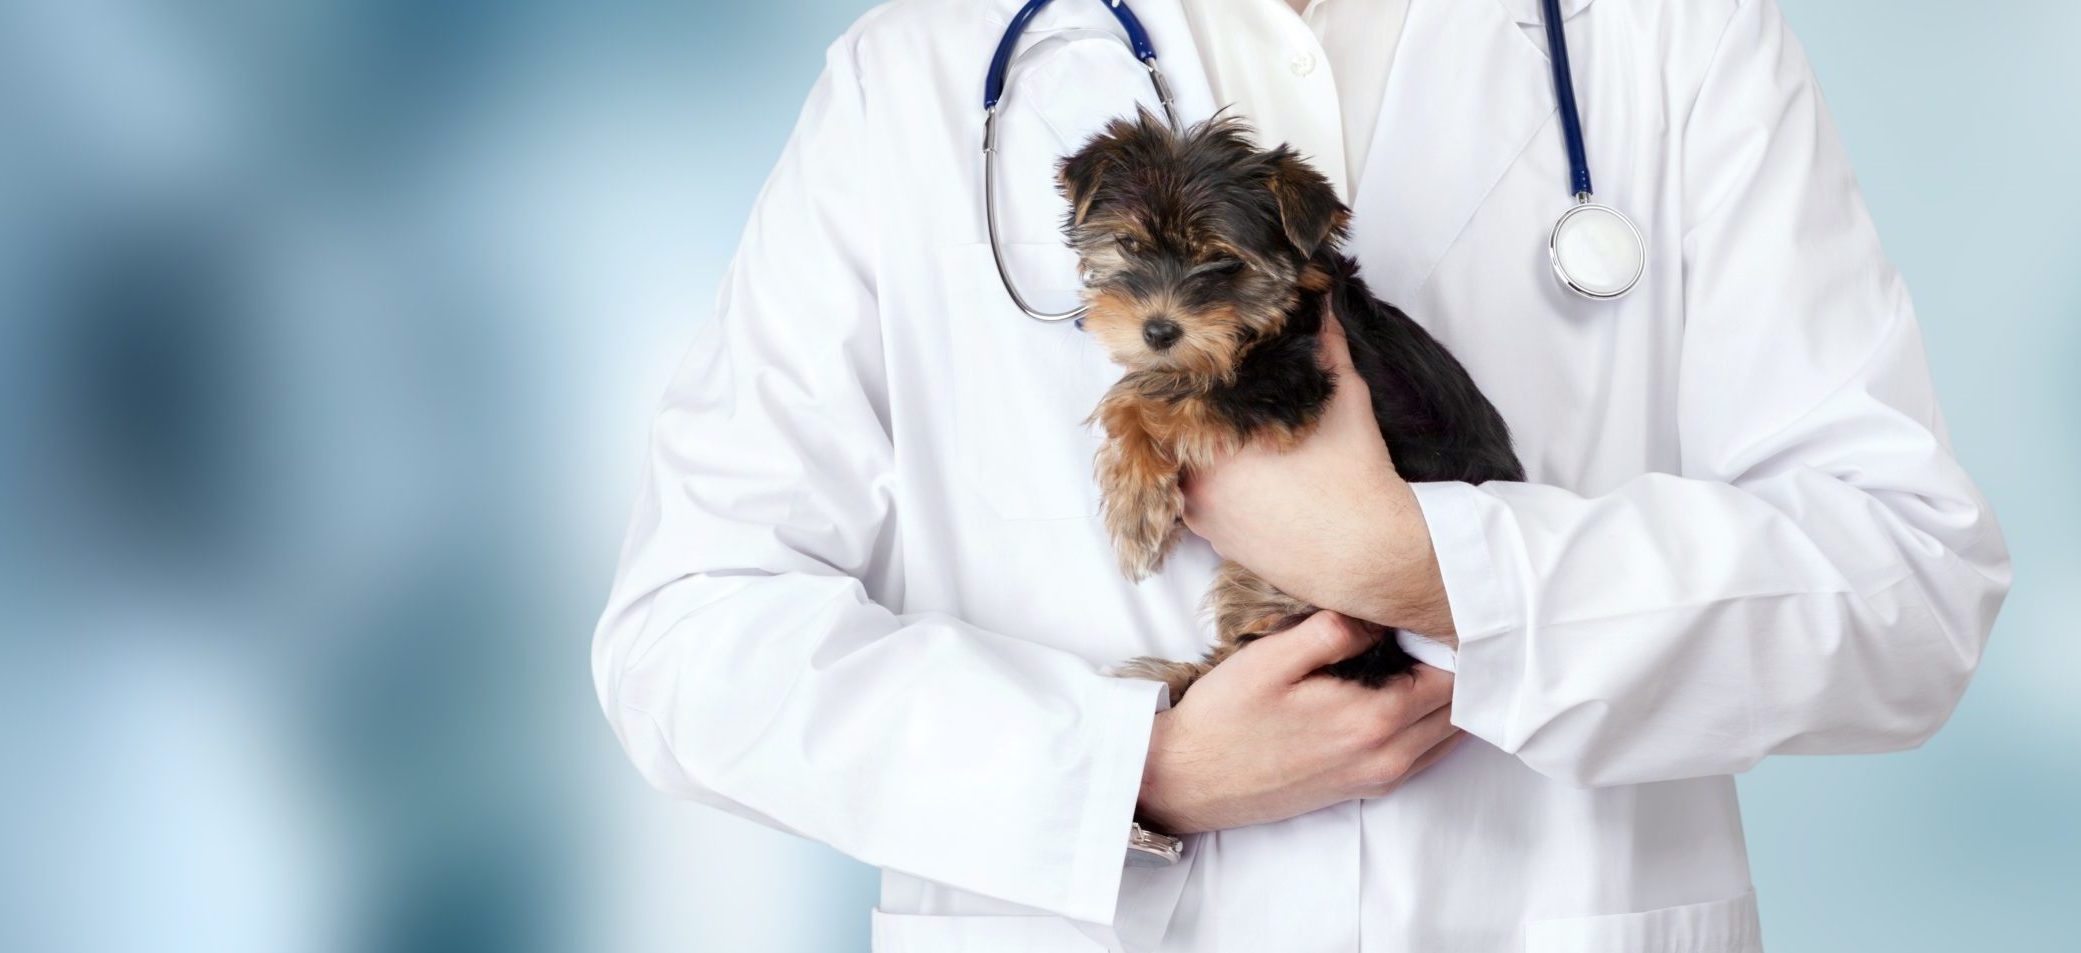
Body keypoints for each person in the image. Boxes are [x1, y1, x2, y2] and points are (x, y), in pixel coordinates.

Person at [593, 0, 2011, 949]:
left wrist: (1434, 572)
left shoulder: (1666, 36)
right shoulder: (923, 68)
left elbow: (1906, 581)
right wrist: (1126, 775)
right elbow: (691, 633)